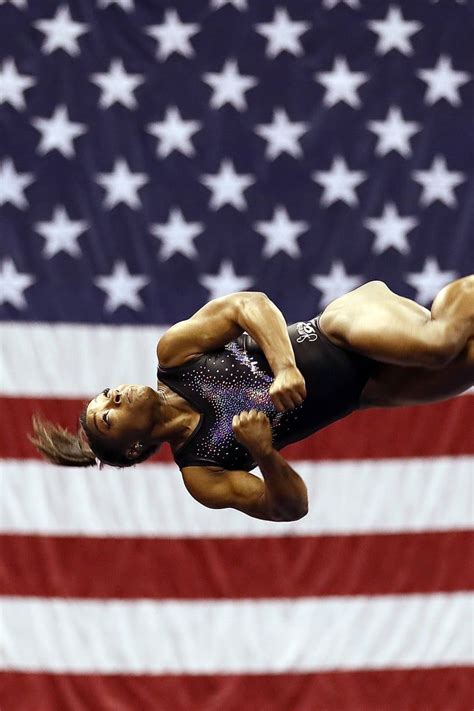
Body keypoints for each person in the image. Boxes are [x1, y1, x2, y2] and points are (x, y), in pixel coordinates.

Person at [30, 277, 474, 522]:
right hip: (371, 390)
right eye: (109, 416)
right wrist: (263, 451)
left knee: (438, 345)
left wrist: (285, 367)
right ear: (133, 447)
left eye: (105, 395)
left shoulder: (176, 356)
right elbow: (291, 507)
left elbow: (249, 304)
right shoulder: (202, 472)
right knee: (466, 359)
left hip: (341, 327)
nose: (115, 397)